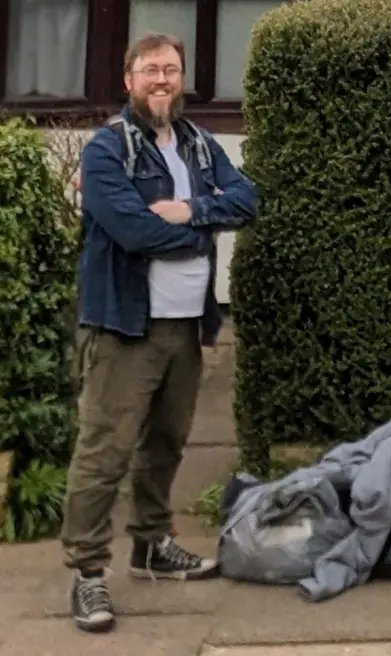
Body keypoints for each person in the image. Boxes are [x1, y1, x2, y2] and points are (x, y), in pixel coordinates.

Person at [61, 32, 258, 633]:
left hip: (185, 324)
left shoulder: (197, 144)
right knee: (104, 453)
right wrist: (201, 229)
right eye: (150, 71)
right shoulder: (106, 150)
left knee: (166, 445)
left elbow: (246, 200)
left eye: (170, 70)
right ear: (129, 80)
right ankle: (87, 574)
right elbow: (132, 232)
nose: (162, 80)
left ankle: (151, 544)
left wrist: (191, 211)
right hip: (124, 326)